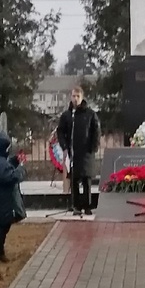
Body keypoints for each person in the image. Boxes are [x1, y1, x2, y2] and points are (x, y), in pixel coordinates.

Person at [0, 130, 27, 260]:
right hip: (3, 200)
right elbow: (8, 177)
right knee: (2, 227)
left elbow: (4, 169)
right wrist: (21, 169)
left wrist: (13, 161)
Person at [56, 85, 100, 217]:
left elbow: (96, 132)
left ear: (82, 97)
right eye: (73, 96)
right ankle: (76, 206)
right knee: (74, 180)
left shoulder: (90, 114)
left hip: (86, 152)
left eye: (78, 96)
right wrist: (64, 147)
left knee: (86, 180)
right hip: (72, 152)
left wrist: (93, 148)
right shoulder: (67, 115)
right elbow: (60, 131)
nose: (75, 99)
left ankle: (87, 206)